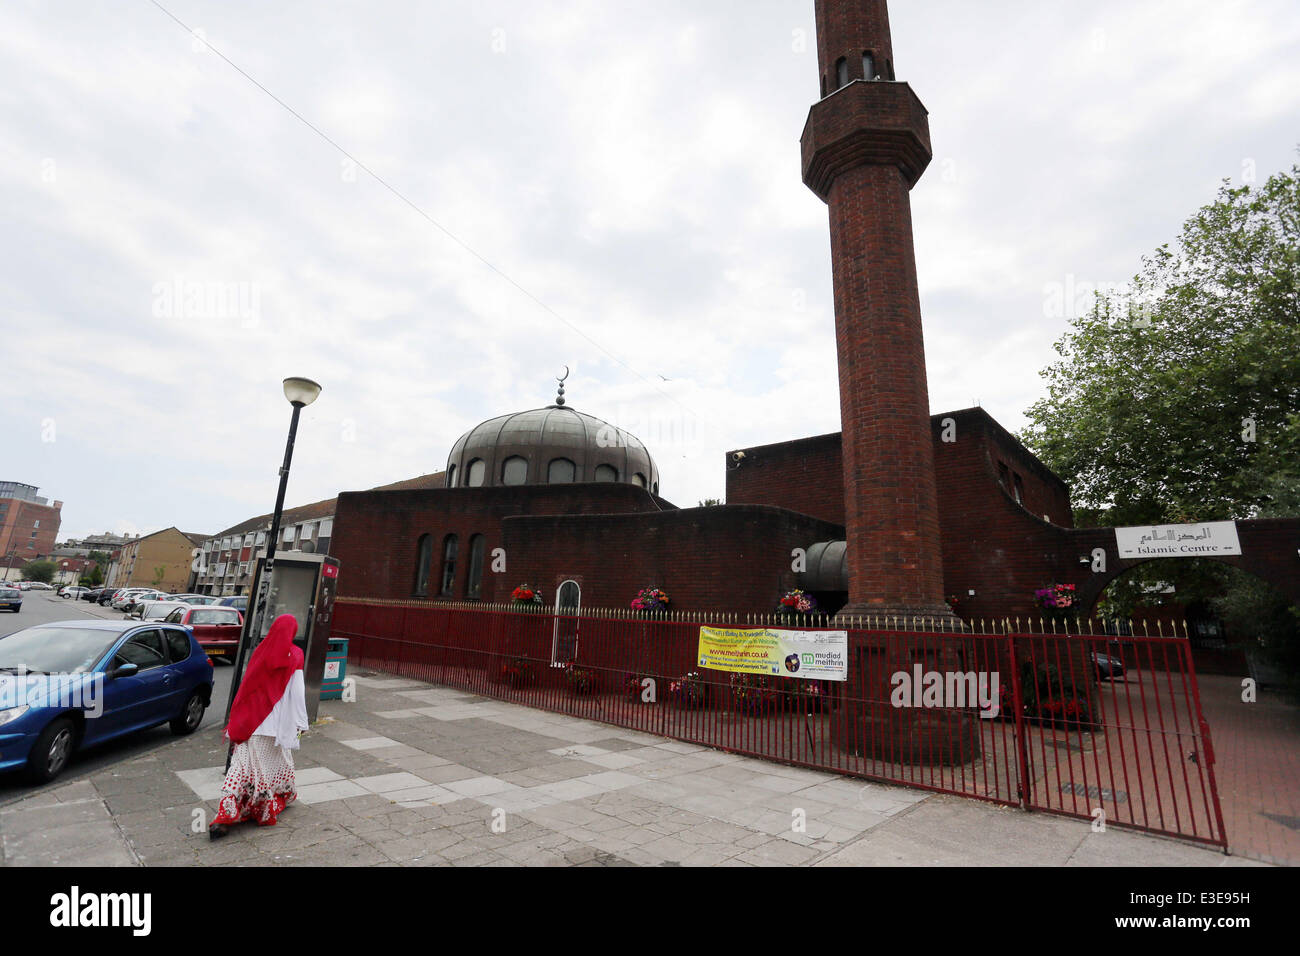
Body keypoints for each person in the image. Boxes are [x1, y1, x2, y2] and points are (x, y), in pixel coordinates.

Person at [209, 613, 308, 839]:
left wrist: (237, 719)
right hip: (277, 726)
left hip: (251, 723)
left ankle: (224, 814)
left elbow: (247, 686)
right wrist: (301, 723)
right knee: (273, 765)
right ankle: (266, 805)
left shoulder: (261, 651)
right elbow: (298, 692)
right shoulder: (296, 655)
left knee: (239, 768)